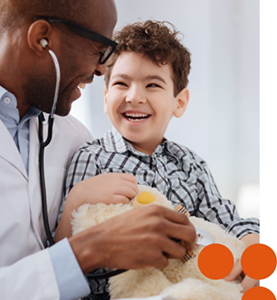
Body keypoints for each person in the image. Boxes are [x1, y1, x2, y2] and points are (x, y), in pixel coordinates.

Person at [0, 1, 197, 299]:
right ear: (42, 38)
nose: (101, 68)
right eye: (99, 49)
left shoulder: (73, 136)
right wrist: (89, 250)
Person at [56, 20, 260, 299]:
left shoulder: (191, 164)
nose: (134, 96)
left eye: (152, 84)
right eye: (121, 83)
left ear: (179, 102)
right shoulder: (92, 158)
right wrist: (75, 201)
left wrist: (252, 245)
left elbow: (230, 221)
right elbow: (63, 255)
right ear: (105, 99)